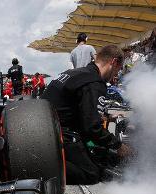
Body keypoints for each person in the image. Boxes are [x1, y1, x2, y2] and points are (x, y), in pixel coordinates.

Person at [42, 45, 132, 184]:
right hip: (59, 135)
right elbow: (92, 128)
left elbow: (73, 108)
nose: (116, 76)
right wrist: (118, 145)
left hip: (44, 127)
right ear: (113, 62)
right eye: (117, 71)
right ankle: (41, 167)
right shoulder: (94, 82)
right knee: (92, 173)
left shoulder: (75, 73)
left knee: (99, 153)